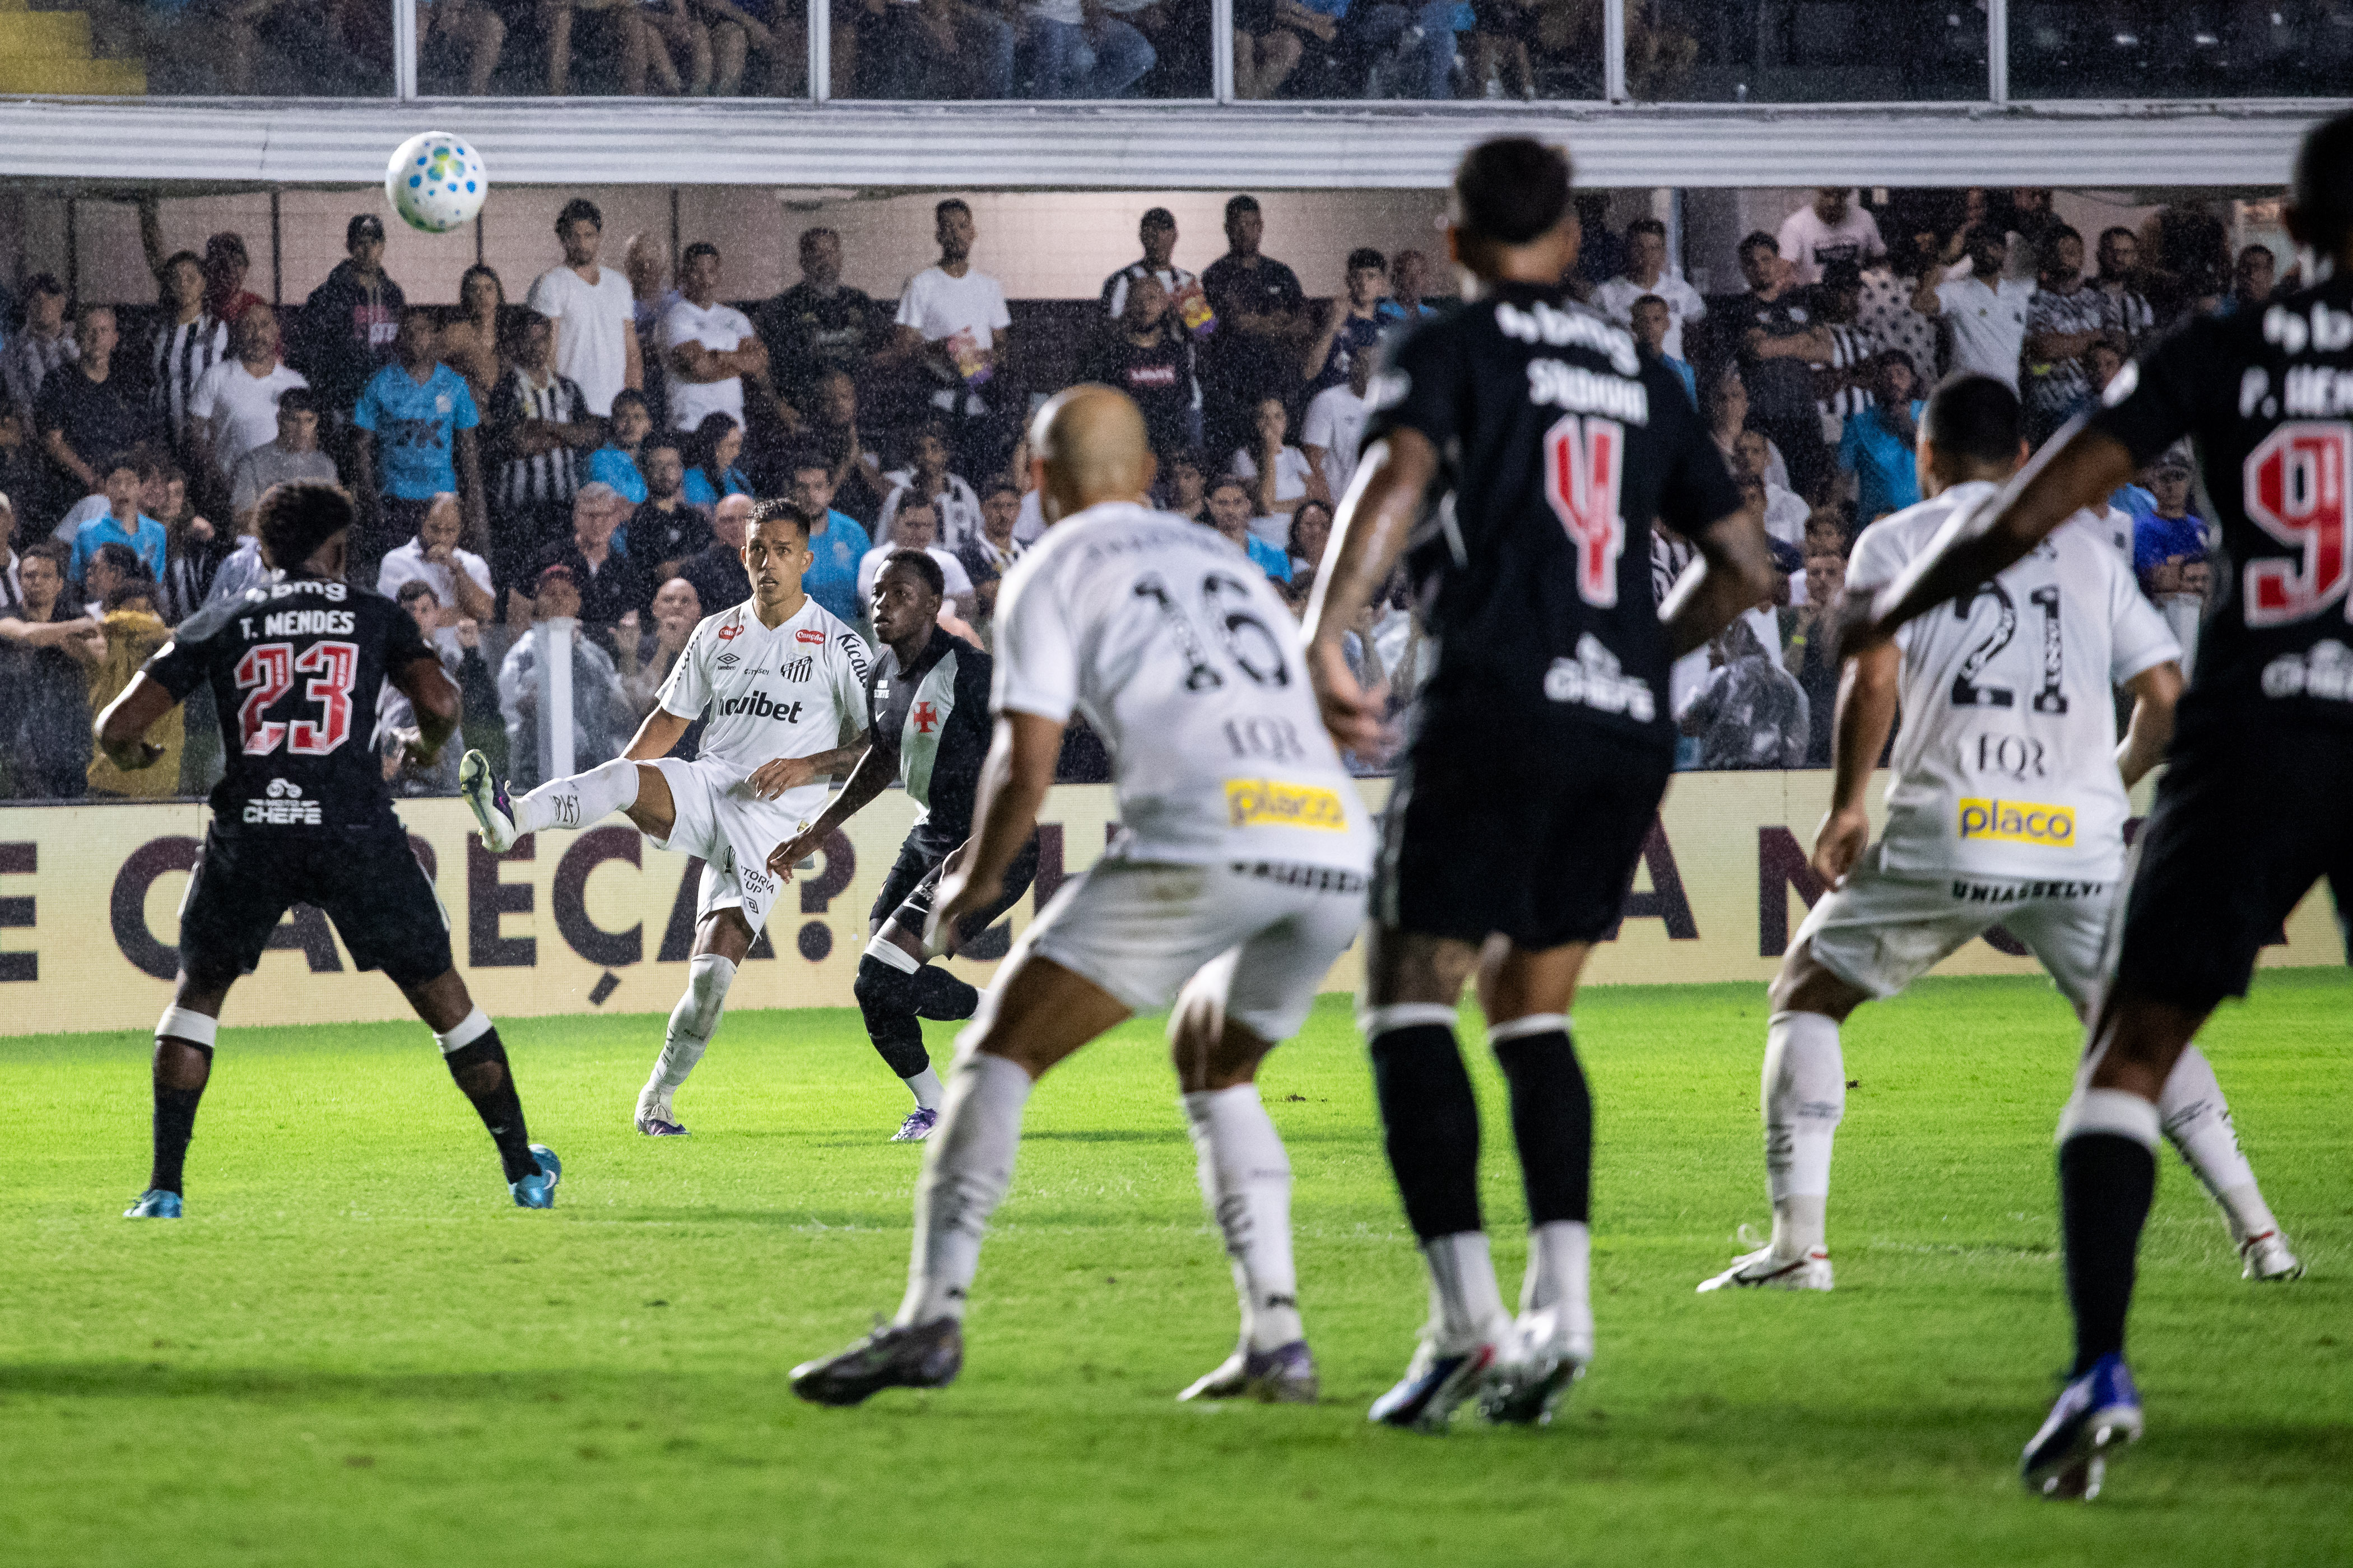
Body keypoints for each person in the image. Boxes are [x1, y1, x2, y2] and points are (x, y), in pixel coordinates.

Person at [1836, 106, 2353, 1505]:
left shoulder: (2221, 347)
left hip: (2259, 725)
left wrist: (1897, 604)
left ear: (2293, 227)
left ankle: (2101, 1370)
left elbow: (2031, 508)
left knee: (2128, 1049)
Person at [1300, 136, 1768, 1430]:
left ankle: (1465, 1325)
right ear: (1570, 242)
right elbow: (1744, 565)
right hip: (1620, 728)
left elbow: (1394, 479)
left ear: (1453, 240)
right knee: (1532, 1010)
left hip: (1493, 699)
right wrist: (1632, 653)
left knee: (1408, 996)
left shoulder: (1447, 348)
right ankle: (1564, 1310)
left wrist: (1326, 628)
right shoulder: (1642, 369)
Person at [789, 383, 1371, 1409]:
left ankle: (930, 1316)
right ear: (1147, 475)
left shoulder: (1051, 567)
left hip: (1208, 827)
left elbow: (1026, 758)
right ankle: (1276, 1338)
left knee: (996, 1053)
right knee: (1216, 1060)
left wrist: (972, 884)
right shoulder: (1221, 558)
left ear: (1036, 477)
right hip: (1334, 835)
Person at [1702, 370, 2295, 1299]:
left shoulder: (1896, 538)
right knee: (2137, 1024)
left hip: (1957, 819)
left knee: (1807, 991)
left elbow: (1872, 676)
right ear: (2024, 456)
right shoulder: (2091, 547)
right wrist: (2101, 784)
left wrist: (1849, 802)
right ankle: (2261, 1233)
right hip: (2077, 837)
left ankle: (1797, 1247)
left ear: (1926, 457)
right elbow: (2167, 706)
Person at [94, 480, 559, 1218]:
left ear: (265, 548)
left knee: (198, 995)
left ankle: (164, 1189)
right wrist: (422, 746)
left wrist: (131, 754)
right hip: (354, 828)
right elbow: (442, 702)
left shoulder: (224, 616)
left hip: (252, 827)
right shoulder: (373, 615)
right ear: (338, 550)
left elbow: (117, 727)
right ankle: (524, 1171)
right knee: (442, 995)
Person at [458, 500, 872, 1138]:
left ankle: (657, 1098)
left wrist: (807, 765)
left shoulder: (840, 644)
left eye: (784, 551)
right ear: (745, 555)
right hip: (709, 785)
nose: (769, 562)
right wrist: (617, 787)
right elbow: (671, 721)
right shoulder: (717, 632)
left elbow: (876, 744)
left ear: (806, 560)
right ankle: (513, 819)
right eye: (760, 550)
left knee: (710, 982)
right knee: (623, 775)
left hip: (771, 827)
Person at [766, 549, 1040, 1139]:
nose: (882, 605)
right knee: (882, 984)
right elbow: (882, 757)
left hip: (996, 844)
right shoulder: (881, 674)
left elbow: (1025, 762)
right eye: (878, 593)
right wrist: (818, 829)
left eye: (900, 594)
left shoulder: (972, 672)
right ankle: (985, 1035)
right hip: (932, 835)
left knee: (880, 975)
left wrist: (983, 843)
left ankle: (941, 1106)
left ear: (934, 604)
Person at [351, 308, 486, 579]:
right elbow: (361, 446)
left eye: (423, 331)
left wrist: (474, 500)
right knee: (399, 576)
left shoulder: (454, 384)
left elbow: (468, 449)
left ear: (435, 337)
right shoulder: (380, 384)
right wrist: (370, 498)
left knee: (442, 574)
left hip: (442, 498)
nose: (416, 338)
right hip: (395, 497)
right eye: (409, 332)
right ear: (398, 338)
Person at [886, 199, 1016, 479]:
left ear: (973, 232)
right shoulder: (922, 284)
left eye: (962, 226)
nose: (956, 234)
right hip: (938, 401)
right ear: (938, 235)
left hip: (980, 395)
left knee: (981, 477)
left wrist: (989, 358)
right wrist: (942, 347)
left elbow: (1002, 347)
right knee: (939, 477)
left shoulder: (989, 287)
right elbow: (903, 350)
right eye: (948, 227)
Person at [496, 564, 639, 790]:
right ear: (538, 601)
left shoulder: (596, 655)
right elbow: (514, 710)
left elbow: (620, 709)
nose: (558, 600)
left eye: (566, 593)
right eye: (550, 593)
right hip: (536, 773)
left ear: (577, 601)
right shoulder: (523, 654)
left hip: (594, 773)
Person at [1720, 232, 1832, 501]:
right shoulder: (1739, 308)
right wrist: (1803, 341)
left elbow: (1826, 351)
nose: (1760, 267)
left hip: (1803, 414)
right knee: (1766, 493)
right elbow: (1758, 350)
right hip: (1763, 417)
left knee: (1810, 495)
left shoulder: (1801, 302)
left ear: (1778, 261)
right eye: (1752, 262)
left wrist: (1776, 343)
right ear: (1744, 268)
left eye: (1766, 260)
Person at [1199, 196, 1309, 466]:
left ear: (1261, 226)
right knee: (1239, 465)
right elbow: (1237, 322)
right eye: (1238, 225)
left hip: (1280, 383)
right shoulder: (1216, 275)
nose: (1245, 231)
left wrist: (1257, 322)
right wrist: (1279, 321)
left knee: (1283, 460)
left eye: (1251, 224)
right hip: (1235, 386)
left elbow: (1304, 325)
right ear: (1227, 228)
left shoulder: (1281, 273)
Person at [485, 310, 600, 565]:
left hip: (564, 505)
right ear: (517, 343)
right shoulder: (507, 389)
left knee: (561, 574)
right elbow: (521, 444)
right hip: (519, 509)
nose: (536, 347)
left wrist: (543, 426)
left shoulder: (568, 388)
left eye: (542, 340)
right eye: (529, 340)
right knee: (524, 574)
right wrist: (567, 434)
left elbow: (588, 435)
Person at [0, 540, 104, 798]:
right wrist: (70, 631)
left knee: (74, 805)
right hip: (18, 730)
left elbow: (101, 656)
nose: (38, 581)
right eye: (30, 575)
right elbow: (27, 634)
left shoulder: (75, 612)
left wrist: (62, 637)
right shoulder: (7, 615)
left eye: (47, 576)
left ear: (60, 584)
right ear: (20, 582)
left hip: (71, 730)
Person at [526, 199, 644, 420]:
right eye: (574, 236)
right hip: (569, 412)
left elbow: (632, 353)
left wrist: (634, 407)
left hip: (614, 412)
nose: (582, 243)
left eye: (588, 235)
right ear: (563, 239)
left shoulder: (620, 284)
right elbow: (544, 355)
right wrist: (552, 411)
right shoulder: (550, 284)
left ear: (599, 237)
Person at [38, 308, 158, 523]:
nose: (96, 338)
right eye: (90, 331)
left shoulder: (128, 384)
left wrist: (130, 481)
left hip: (122, 485)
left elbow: (140, 444)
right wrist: (91, 479)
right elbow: (53, 443)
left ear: (115, 339)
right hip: (72, 487)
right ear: (77, 337)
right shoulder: (58, 382)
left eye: (103, 331)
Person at [756, 227, 881, 426]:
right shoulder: (781, 308)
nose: (825, 260)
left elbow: (881, 355)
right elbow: (761, 365)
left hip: (858, 414)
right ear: (802, 261)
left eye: (830, 252)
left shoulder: (860, 302)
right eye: (817, 253)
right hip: (802, 414)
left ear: (840, 258)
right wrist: (779, 406)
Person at [294, 213, 405, 435]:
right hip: (344, 402)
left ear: (383, 246)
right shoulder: (328, 295)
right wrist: (328, 396)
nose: (368, 250)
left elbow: (401, 347)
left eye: (374, 242)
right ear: (349, 246)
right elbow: (312, 350)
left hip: (386, 399)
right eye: (360, 243)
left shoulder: (393, 295)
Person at [187, 305, 308, 491]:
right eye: (249, 326)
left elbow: (309, 438)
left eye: (264, 325)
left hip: (285, 491)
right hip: (231, 489)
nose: (257, 334)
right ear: (237, 332)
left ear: (276, 330)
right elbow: (194, 434)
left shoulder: (296, 383)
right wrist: (216, 475)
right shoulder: (215, 377)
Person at [523, 483, 653, 653]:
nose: (597, 523)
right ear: (576, 517)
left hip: (609, 659)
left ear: (616, 519)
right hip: (554, 653)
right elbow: (521, 615)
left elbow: (630, 624)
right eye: (590, 515)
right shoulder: (549, 557)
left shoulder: (624, 569)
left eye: (605, 515)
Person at [1080, 276, 1198, 460]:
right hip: (1127, 449)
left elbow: (1183, 402)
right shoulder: (1114, 354)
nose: (1145, 305)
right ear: (1127, 305)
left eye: (1152, 298)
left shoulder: (1177, 351)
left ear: (1164, 304)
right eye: (1138, 298)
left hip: (1170, 450)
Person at [85, 580, 183, 798]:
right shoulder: (103, 647)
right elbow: (120, 627)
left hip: (160, 784)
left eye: (146, 610)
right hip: (110, 784)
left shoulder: (172, 653)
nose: (140, 618)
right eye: (131, 610)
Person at [661, 242, 769, 436]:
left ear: (718, 275)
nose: (705, 280)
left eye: (710, 272)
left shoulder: (736, 318)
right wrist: (741, 365)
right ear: (684, 275)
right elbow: (700, 368)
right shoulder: (676, 317)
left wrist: (720, 356)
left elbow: (759, 361)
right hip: (692, 426)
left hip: (734, 429)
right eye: (697, 273)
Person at [1913, 224, 2035, 393]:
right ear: (1971, 252)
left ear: (2005, 251)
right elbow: (1920, 304)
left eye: (1994, 246)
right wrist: (1944, 259)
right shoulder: (1956, 291)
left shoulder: (2019, 294)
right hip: (1968, 395)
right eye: (1981, 246)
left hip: (2008, 396)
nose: (1988, 251)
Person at [377, 491, 498, 655]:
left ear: (460, 529)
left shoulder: (474, 564)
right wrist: (466, 615)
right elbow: (407, 617)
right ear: (423, 522)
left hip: (466, 660)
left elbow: (485, 613)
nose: (441, 538)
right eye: (435, 529)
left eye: (450, 531)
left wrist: (458, 569)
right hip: (413, 657)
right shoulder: (396, 561)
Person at [144, 250, 229, 472]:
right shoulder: (157, 329)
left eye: (191, 278)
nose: (183, 285)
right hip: (164, 427)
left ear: (204, 283)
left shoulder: (217, 327)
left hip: (205, 430)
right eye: (176, 279)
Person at [1593, 218, 1705, 363]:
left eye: (1654, 248)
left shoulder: (1683, 291)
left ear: (1663, 252)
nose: (1646, 255)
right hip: (1628, 371)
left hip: (1672, 374)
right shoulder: (1605, 294)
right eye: (1639, 247)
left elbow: (1697, 336)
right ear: (1628, 250)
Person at [228, 388, 337, 537]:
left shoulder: (325, 466)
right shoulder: (252, 463)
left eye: (309, 420)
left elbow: (334, 520)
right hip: (266, 546)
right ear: (279, 420)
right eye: (293, 420)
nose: (302, 429)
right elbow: (243, 519)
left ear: (316, 421)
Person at [783, 450, 872, 627]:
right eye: (802, 488)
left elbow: (870, 596)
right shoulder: (779, 537)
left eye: (818, 487)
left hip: (849, 634)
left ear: (830, 491)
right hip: (797, 634)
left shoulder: (853, 533)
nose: (810, 495)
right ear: (791, 491)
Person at [1837, 351, 1926, 523]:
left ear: (1914, 379)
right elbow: (1843, 477)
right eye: (1887, 376)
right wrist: (1833, 515)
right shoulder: (1859, 422)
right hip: (1876, 522)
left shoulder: (1929, 413)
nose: (1894, 381)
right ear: (1877, 382)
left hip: (1924, 521)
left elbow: (1943, 460)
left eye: (1900, 373)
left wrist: (1906, 423)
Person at [1230, 396, 1329, 541]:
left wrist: (1276, 506)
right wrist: (1269, 453)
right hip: (1264, 537)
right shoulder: (1243, 456)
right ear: (1256, 423)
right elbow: (1263, 504)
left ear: (1285, 422)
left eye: (1277, 416)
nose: (1271, 423)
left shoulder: (1295, 454)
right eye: (1263, 417)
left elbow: (1314, 499)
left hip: (1296, 539)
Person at [858, 496, 975, 618]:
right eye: (912, 525)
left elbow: (969, 602)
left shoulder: (948, 561)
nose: (920, 533)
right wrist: (942, 600)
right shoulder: (875, 560)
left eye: (927, 525)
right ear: (896, 522)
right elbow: (878, 603)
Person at [877, 422, 983, 552]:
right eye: (921, 451)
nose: (927, 457)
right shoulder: (899, 496)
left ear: (946, 453)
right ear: (915, 456)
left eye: (934, 449)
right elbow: (882, 543)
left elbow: (980, 536)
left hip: (959, 562)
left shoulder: (962, 492)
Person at [1301, 246, 1389, 394]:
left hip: (1372, 399)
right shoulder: (1330, 314)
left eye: (1371, 276)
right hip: (1333, 397)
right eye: (1357, 276)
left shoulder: (1388, 322)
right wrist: (1332, 325)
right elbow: (1309, 372)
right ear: (1348, 281)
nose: (1363, 284)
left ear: (1381, 284)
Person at [70, 455, 168, 584]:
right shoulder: (87, 531)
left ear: (140, 488)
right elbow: (77, 582)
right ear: (106, 487)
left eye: (130, 483)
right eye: (115, 483)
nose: (122, 489)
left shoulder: (157, 532)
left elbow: (156, 583)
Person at [621, 440, 709, 578]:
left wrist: (681, 566)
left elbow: (710, 555)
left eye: (671, 465)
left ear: (680, 470)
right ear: (644, 472)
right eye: (657, 465)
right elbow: (646, 570)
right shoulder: (638, 520)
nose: (665, 472)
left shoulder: (694, 517)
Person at [1301, 347, 1374, 501]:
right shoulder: (1327, 401)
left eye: (1372, 364)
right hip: (1337, 503)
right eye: (1360, 362)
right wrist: (1328, 508)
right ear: (1351, 365)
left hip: (1374, 504)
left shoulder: (1390, 404)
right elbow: (1312, 463)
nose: (1364, 369)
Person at [1775, 188, 1887, 287]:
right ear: (1819, 190)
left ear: (1847, 194)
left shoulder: (1864, 218)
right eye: (1827, 194)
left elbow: (1881, 265)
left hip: (1853, 294)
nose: (1832, 202)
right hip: (1812, 296)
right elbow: (1782, 276)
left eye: (1839, 196)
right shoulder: (1795, 225)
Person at [438, 264, 508, 411]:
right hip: (466, 412)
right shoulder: (456, 334)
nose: (482, 295)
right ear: (466, 296)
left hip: (501, 411)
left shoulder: (506, 336)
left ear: (498, 295)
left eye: (489, 288)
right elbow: (432, 371)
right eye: (475, 289)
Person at [676, 488, 753, 617]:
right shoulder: (696, 569)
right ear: (716, 526)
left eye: (745, 518)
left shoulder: (773, 562)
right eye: (728, 520)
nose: (736, 526)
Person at [1204, 473, 1290, 584]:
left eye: (1237, 502)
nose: (1230, 510)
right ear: (1210, 506)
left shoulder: (1275, 554)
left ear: (1247, 505)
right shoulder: (1202, 552)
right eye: (1222, 503)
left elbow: (1287, 593)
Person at [958, 480, 1024, 626]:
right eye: (996, 506)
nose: (1004, 514)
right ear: (982, 508)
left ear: (1019, 509)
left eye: (1010, 506)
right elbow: (988, 596)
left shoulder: (1031, 548)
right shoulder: (968, 552)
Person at [585, 388, 655, 506]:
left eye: (638, 417)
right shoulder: (600, 459)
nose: (630, 424)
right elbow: (617, 502)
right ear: (613, 422)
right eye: (623, 416)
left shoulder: (651, 458)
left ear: (648, 425)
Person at [1628, 294, 1695, 405]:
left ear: (1667, 324)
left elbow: (1690, 411)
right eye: (1644, 320)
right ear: (1634, 325)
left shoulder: (1684, 372)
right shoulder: (1623, 368)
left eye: (1656, 319)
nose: (1650, 326)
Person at [679, 412, 752, 509]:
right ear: (714, 446)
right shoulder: (693, 478)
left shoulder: (738, 478)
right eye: (731, 446)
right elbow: (701, 513)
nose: (737, 453)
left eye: (739, 445)